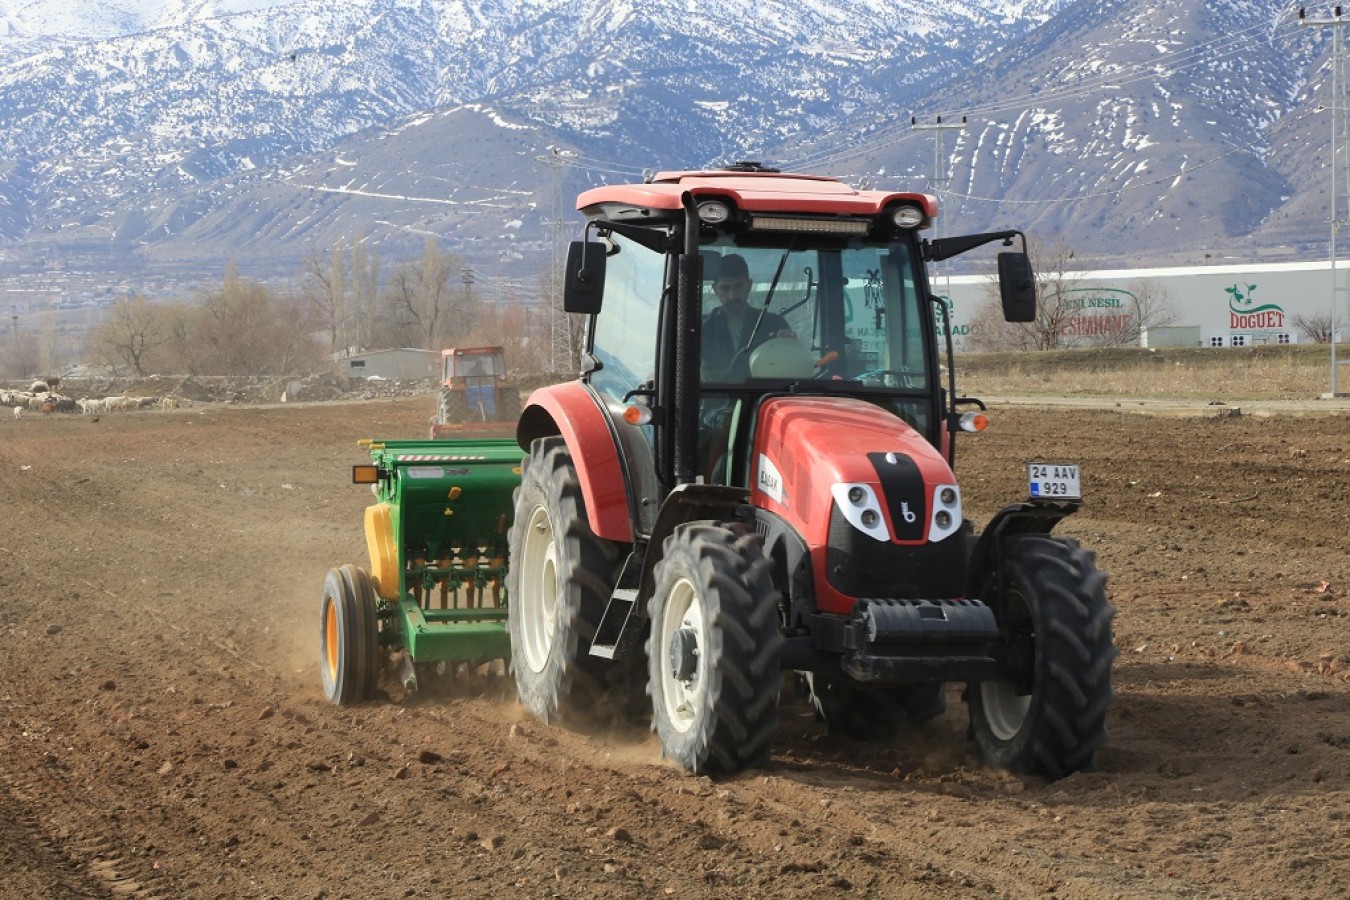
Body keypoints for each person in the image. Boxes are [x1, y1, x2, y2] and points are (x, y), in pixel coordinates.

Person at [701, 253, 793, 381]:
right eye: (725, 288)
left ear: (749, 285)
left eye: (738, 286)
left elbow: (789, 373)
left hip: (761, 394)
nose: (732, 295)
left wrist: (789, 347)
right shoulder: (700, 329)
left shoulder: (775, 326)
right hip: (712, 394)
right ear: (715, 289)